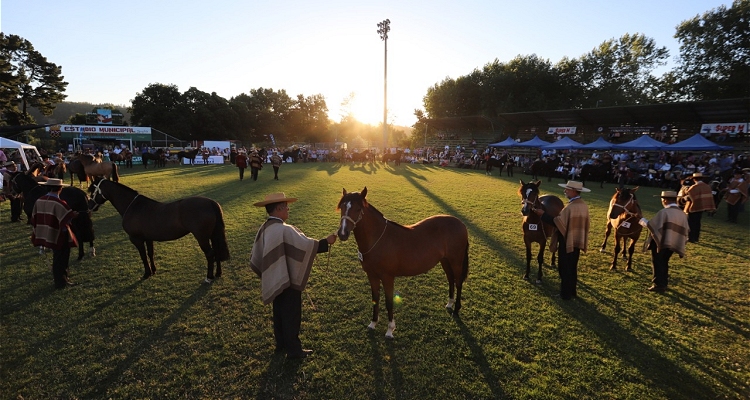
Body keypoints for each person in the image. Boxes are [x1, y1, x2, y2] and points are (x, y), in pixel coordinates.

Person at [250, 193, 336, 359]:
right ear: (279, 208)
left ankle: (281, 344)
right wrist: (326, 241)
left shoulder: (264, 228)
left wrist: (273, 273)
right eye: (286, 206)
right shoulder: (284, 229)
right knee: (291, 314)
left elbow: (257, 254)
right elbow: (307, 246)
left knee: (279, 312)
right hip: (288, 280)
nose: (288, 209)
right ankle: (294, 351)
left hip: (276, 277)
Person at [534, 180, 590, 300]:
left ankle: (565, 294)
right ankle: (572, 292)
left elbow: (558, 222)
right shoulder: (583, 205)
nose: (565, 191)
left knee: (564, 268)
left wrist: (542, 214)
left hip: (567, 241)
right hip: (577, 240)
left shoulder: (571, 207)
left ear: (574, 191)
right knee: (572, 267)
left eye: (567, 189)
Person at [30, 178, 79, 289]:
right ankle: (61, 282)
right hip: (59, 235)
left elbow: (34, 218)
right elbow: (66, 219)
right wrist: (74, 215)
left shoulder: (39, 200)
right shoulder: (59, 203)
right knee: (61, 259)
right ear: (60, 189)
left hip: (46, 233)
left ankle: (61, 280)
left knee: (57, 258)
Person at [638, 191, 689, 292]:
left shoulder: (664, 212)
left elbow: (653, 226)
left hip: (661, 243)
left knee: (658, 262)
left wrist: (641, 220)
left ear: (665, 200)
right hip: (673, 242)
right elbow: (685, 229)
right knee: (664, 261)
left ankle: (659, 284)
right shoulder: (682, 213)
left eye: (662, 200)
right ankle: (664, 282)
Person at [681, 172, 715, 243]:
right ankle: (696, 238)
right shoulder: (707, 186)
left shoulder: (694, 187)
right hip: (701, 206)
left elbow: (689, 196)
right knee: (697, 222)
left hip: (693, 207)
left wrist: (684, 198)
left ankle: (691, 237)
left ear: (694, 180)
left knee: (691, 223)